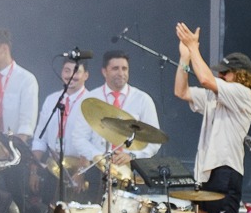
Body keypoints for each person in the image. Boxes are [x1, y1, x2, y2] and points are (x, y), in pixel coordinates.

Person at [174, 24, 251, 213]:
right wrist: (184, 59)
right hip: (206, 170)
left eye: (225, 72)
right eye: (220, 71)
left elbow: (206, 80)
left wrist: (195, 48)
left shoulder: (241, 94)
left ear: (240, 75)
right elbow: (182, 91)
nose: (220, 74)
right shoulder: (215, 96)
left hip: (227, 169)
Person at [30, 53, 100, 201]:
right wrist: (34, 171)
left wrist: (82, 172)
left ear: (86, 75)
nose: (71, 76)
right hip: (52, 170)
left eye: (76, 71)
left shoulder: (92, 102)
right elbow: (39, 139)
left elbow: (93, 143)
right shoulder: (51, 100)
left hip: (80, 173)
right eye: (67, 70)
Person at [87, 51, 160, 163]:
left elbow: (155, 141)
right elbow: (79, 137)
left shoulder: (143, 99)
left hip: (133, 169)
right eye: (115, 68)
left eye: (124, 69)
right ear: (104, 72)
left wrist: (132, 155)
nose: (121, 73)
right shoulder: (90, 99)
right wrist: (97, 157)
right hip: (97, 167)